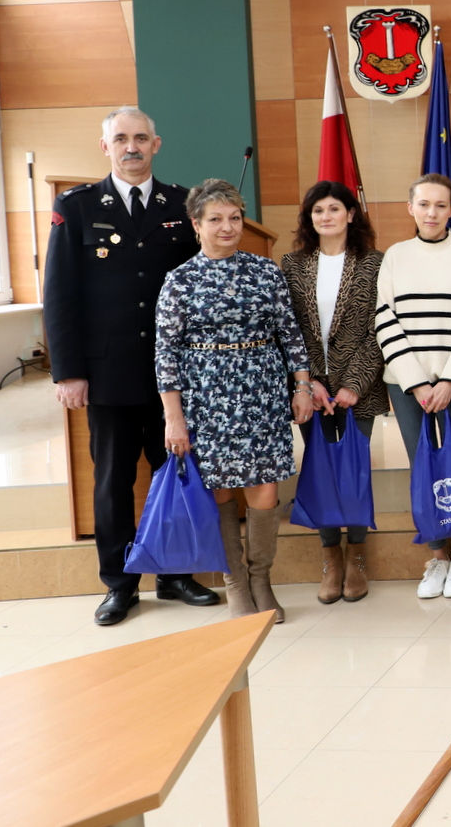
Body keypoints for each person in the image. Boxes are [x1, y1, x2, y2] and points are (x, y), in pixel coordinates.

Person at [43, 106, 219, 626]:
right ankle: (120, 585)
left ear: (157, 144)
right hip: (108, 373)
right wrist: (68, 371)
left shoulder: (182, 204)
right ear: (106, 147)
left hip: (174, 377)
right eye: (121, 138)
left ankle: (176, 574)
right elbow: (59, 295)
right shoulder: (75, 207)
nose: (132, 147)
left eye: (141, 137)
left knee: (177, 476)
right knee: (114, 482)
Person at [154, 179, 314, 623]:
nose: (228, 227)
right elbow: (165, 354)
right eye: (216, 219)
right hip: (207, 399)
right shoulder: (180, 280)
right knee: (222, 491)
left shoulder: (265, 272)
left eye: (235, 218)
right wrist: (174, 419)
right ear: (196, 225)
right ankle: (235, 584)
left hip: (261, 393)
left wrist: (301, 386)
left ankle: (261, 579)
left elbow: (291, 336)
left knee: (264, 491)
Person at [377, 174, 451, 600]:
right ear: (411, 209)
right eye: (424, 204)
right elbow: (385, 320)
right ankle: (437, 557)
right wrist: (416, 382)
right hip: (408, 386)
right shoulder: (395, 256)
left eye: (440, 205)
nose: (432, 212)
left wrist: (449, 378)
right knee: (421, 467)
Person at [280, 180, 387, 605]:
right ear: (309, 218)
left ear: (351, 214)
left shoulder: (375, 263)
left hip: (358, 388)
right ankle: (331, 560)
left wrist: (352, 384)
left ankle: (357, 557)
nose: (326, 216)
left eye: (334, 209)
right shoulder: (292, 264)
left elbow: (380, 330)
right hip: (311, 389)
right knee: (320, 471)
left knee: (353, 472)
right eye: (317, 210)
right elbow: (288, 329)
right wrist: (309, 384)